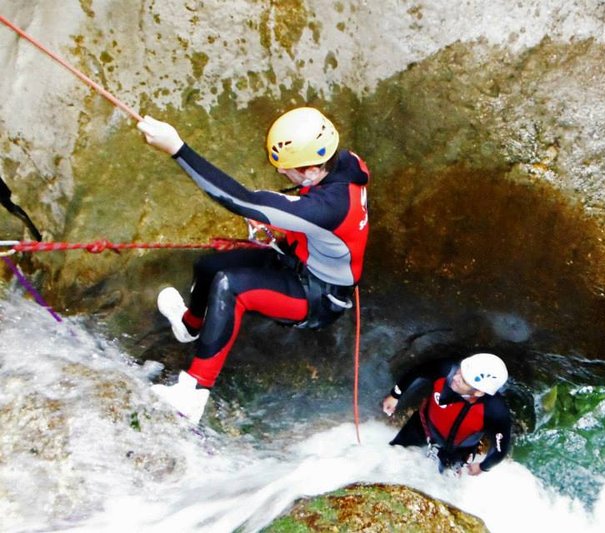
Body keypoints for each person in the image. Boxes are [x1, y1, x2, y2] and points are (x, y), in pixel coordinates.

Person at [137, 107, 370, 423]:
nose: (282, 174)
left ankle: (192, 393)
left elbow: (241, 201)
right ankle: (190, 327)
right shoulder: (346, 163)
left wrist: (177, 148)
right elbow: (309, 212)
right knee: (209, 268)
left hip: (317, 296)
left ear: (314, 170)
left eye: (287, 169)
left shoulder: (330, 207)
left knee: (230, 287)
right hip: (294, 257)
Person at [382, 353, 512, 476]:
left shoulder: (495, 412)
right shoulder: (446, 370)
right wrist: (395, 395)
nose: (455, 377)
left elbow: (500, 449)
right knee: (392, 456)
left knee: (441, 482)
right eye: (459, 371)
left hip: (457, 450)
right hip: (422, 427)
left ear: (478, 392)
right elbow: (418, 371)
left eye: (463, 380)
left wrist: (483, 466)